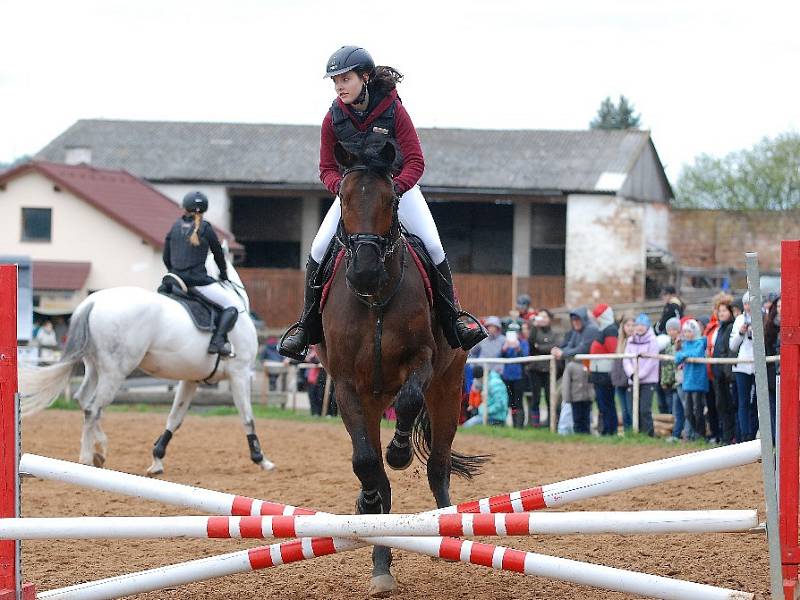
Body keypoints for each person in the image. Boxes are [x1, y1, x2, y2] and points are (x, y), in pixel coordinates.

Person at [280, 46, 486, 360]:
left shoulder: (393, 109)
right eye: (335, 81)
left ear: (365, 77)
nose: (339, 86)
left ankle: (453, 320)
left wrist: (394, 191)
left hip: (397, 189)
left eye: (345, 79)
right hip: (354, 195)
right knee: (319, 249)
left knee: (432, 245)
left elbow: (416, 162)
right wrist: (344, 191)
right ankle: (306, 327)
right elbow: (326, 168)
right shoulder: (333, 117)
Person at [163, 191, 241, 356]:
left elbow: (165, 257)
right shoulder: (205, 228)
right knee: (231, 306)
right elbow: (219, 255)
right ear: (203, 210)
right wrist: (224, 274)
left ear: (184, 207)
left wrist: (173, 271)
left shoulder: (175, 226)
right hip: (197, 282)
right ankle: (217, 342)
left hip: (174, 280)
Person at [552, 308, 600, 434]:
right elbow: (570, 346)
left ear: (583, 319)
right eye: (573, 320)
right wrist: (560, 351)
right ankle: (573, 432)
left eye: (577, 319)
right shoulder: (577, 331)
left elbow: (582, 348)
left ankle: (582, 433)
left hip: (588, 373)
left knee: (584, 406)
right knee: (572, 403)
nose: (575, 322)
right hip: (576, 373)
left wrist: (562, 353)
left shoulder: (591, 330)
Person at [622, 313, 659, 436]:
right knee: (634, 408)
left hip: (648, 380)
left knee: (644, 409)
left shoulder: (652, 341)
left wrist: (640, 375)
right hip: (633, 379)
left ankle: (648, 434)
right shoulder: (631, 340)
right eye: (638, 325)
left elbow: (652, 361)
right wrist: (632, 374)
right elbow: (626, 359)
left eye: (643, 325)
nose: (640, 327)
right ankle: (637, 433)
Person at [675, 319, 710, 441]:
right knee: (688, 412)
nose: (687, 334)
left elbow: (697, 354)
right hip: (688, 381)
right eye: (685, 332)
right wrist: (684, 354)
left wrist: (684, 354)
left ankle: (701, 433)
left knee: (698, 410)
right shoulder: (685, 344)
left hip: (698, 381)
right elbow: (678, 357)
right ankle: (697, 432)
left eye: (689, 331)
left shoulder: (700, 342)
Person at [730, 292, 757, 441]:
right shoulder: (739, 320)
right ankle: (744, 436)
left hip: (759, 366)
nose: (748, 307)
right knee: (743, 402)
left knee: (757, 403)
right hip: (742, 365)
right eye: (745, 304)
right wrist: (741, 332)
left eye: (750, 303)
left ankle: (754, 434)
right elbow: (733, 346)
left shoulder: (763, 317)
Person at [589, 304, 619, 436]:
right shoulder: (603, 329)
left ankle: (610, 429)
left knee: (606, 403)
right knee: (603, 404)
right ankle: (606, 429)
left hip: (605, 373)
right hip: (597, 372)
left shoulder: (610, 330)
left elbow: (612, 350)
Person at [711, 298, 736, 444]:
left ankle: (730, 437)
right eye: (719, 311)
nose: (721, 313)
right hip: (718, 374)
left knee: (728, 406)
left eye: (724, 310)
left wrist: (726, 372)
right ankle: (724, 436)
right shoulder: (720, 328)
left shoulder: (730, 327)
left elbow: (727, 351)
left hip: (726, 374)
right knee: (721, 406)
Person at [526, 309, 556, 427]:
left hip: (549, 370)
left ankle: (551, 423)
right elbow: (531, 345)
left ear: (549, 319)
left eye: (545, 317)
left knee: (549, 398)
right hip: (535, 369)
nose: (542, 319)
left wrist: (540, 347)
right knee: (536, 398)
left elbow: (554, 346)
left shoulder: (554, 333)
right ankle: (535, 424)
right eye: (540, 316)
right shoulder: (535, 331)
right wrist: (534, 327)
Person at [501, 322, 529, 428]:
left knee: (519, 401)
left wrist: (518, 348)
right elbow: (501, 356)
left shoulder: (523, 343)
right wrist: (504, 348)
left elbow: (525, 358)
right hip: (507, 376)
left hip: (519, 376)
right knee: (511, 402)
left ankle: (519, 425)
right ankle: (514, 424)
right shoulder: (506, 343)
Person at [661, 317, 684, 441]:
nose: (672, 332)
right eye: (669, 329)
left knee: (682, 408)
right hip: (671, 382)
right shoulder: (667, 345)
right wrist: (664, 380)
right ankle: (676, 433)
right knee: (676, 410)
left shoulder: (681, 344)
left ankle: (682, 433)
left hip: (680, 380)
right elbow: (665, 367)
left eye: (674, 329)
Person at [611, 314, 635, 431]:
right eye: (627, 325)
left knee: (631, 410)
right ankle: (627, 432)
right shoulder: (620, 342)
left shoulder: (636, 342)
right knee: (624, 410)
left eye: (632, 325)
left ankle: (634, 431)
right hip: (620, 381)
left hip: (630, 380)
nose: (630, 328)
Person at [764, 295, 781, 441]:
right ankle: (775, 438)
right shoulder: (769, 326)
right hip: (771, 373)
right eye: (779, 306)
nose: (781, 309)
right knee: (773, 408)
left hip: (787, 374)